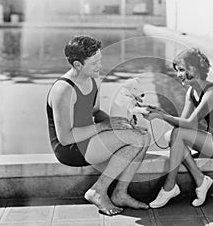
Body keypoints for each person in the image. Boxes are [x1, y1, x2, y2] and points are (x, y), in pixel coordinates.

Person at [46, 35, 151, 216]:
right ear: (78, 65)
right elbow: (65, 138)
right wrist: (104, 127)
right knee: (137, 140)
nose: (100, 66)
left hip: (89, 138)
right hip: (71, 148)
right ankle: (98, 191)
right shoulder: (64, 90)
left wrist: (122, 124)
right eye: (94, 63)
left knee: (143, 136)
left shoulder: (91, 79)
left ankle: (120, 193)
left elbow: (95, 113)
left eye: (100, 60)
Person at [145, 48, 213, 208]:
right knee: (171, 136)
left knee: (177, 135)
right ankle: (200, 180)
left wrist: (161, 115)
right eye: (177, 70)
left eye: (181, 70)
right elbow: (183, 121)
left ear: (194, 69)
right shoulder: (192, 91)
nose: (178, 75)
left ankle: (169, 187)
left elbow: (189, 124)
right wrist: (157, 111)